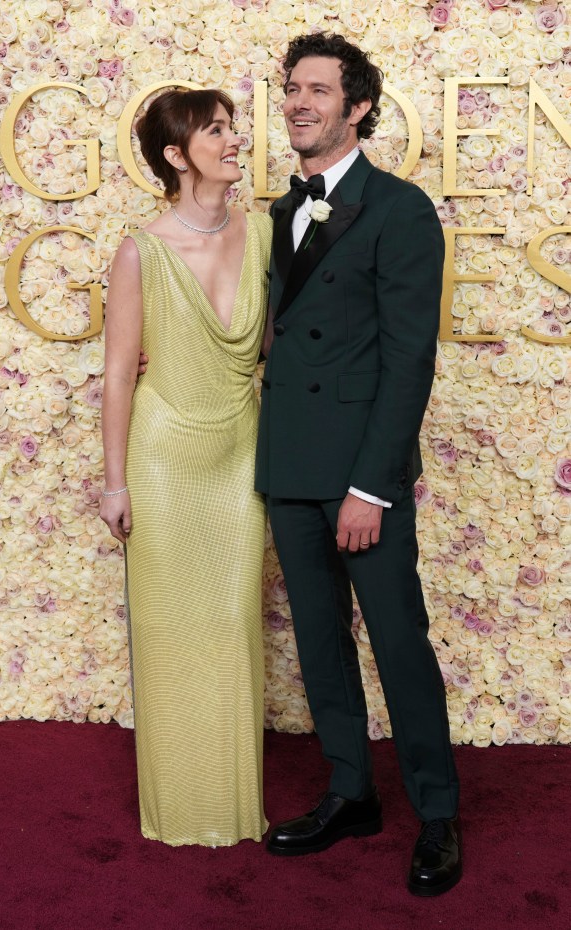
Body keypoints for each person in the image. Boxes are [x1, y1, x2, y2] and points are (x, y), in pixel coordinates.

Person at [255, 33, 461, 895]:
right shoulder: (278, 211)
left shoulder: (401, 208)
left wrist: (372, 486)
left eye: (317, 90)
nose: (299, 102)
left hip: (360, 476)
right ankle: (351, 792)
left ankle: (438, 814)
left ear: (359, 106)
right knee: (319, 641)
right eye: (291, 89)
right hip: (290, 466)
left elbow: (410, 359)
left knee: (397, 641)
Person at [100, 88, 271, 846]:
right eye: (218, 131)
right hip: (164, 460)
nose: (237, 140)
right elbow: (116, 373)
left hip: (241, 456)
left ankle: (234, 803)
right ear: (176, 155)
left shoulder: (266, 234)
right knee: (171, 631)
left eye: (235, 127)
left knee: (232, 626)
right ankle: (176, 807)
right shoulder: (140, 250)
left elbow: (279, 343)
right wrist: (115, 481)